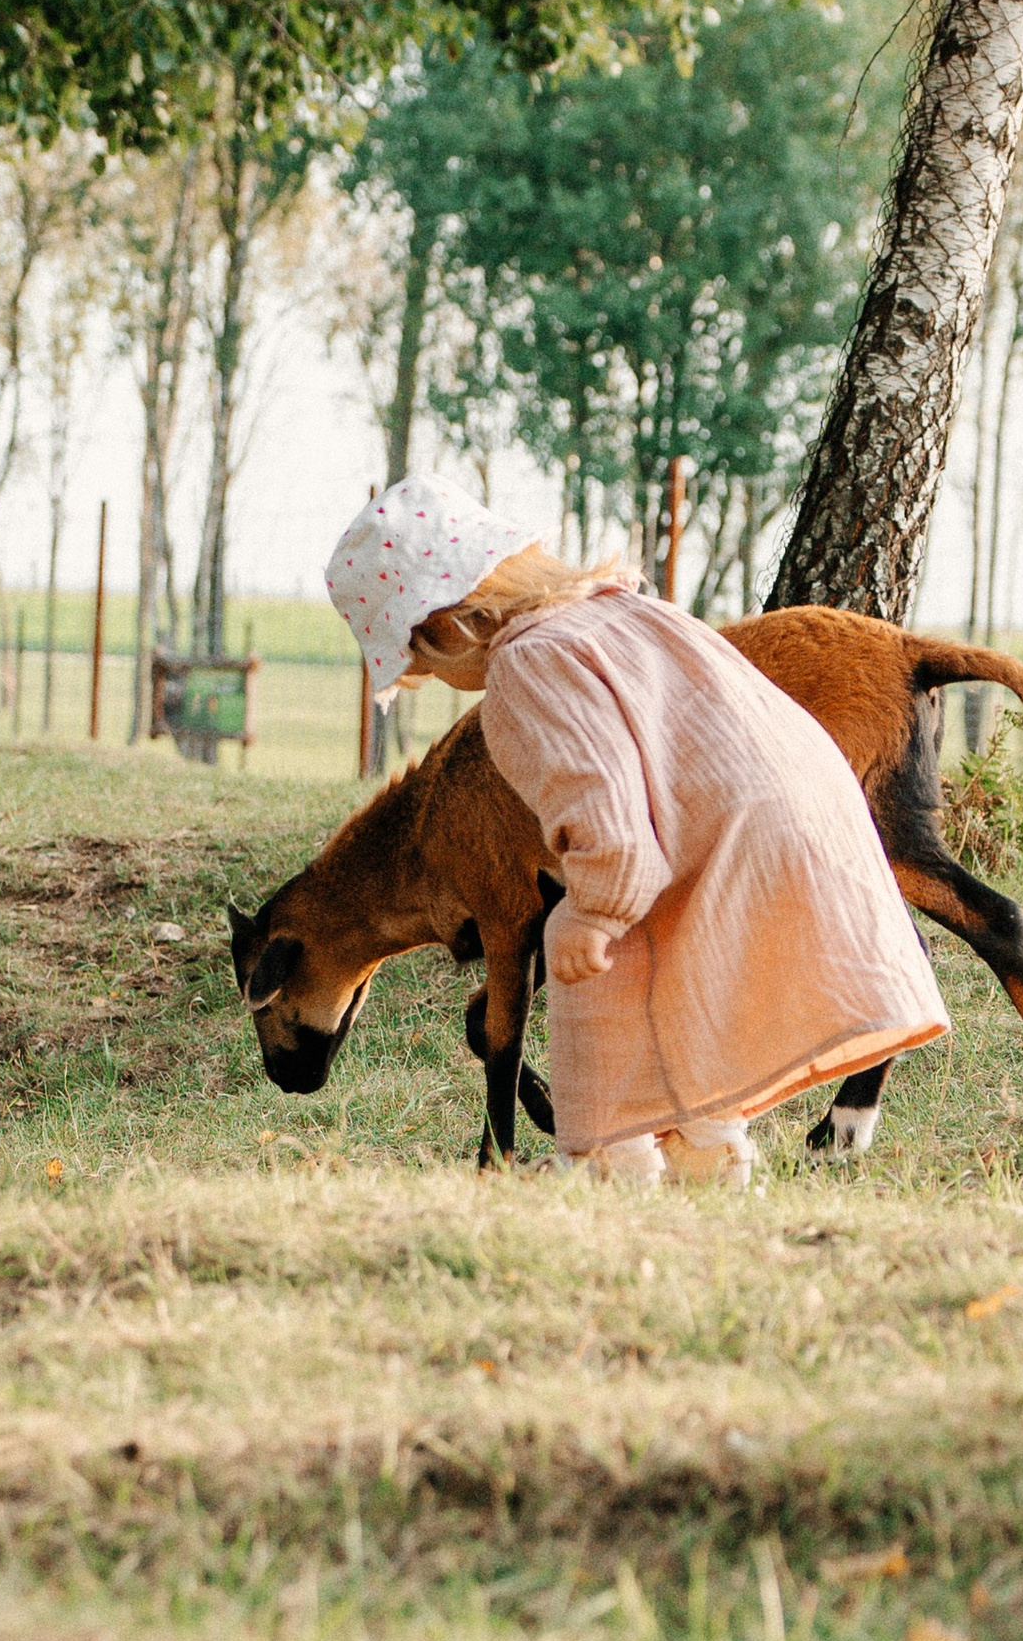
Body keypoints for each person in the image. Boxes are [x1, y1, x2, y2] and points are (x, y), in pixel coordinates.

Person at [324, 476, 947, 1184]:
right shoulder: (622, 606)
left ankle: (611, 1160)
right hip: (814, 810)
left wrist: (597, 907)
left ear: (445, 627)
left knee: (588, 959)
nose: (436, 680)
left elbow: (598, 797)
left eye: (420, 666)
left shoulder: (526, 667)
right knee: (680, 984)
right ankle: (710, 1147)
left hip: (726, 838)